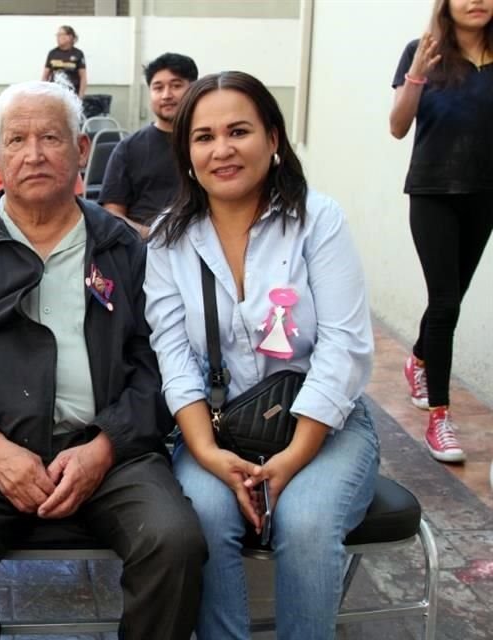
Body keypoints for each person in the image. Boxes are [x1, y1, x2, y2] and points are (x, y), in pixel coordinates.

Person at [0, 80, 206, 640]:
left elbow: (156, 365)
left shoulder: (122, 246)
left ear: (82, 150)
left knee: (175, 541)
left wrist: (106, 446)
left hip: (109, 453)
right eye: (15, 140)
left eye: (51, 137)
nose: (34, 153)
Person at [144, 71, 379, 640]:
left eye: (239, 131)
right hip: (218, 428)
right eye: (203, 137)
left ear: (273, 138)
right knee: (201, 515)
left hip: (325, 426)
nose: (222, 149)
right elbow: (172, 354)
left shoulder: (317, 220)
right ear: (187, 152)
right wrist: (204, 449)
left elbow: (343, 347)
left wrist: (294, 458)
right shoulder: (168, 240)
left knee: (305, 520)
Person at [389, 0, 492, 464]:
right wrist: (415, 74)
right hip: (432, 190)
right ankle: (440, 416)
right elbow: (397, 126)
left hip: (483, 193)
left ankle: (419, 358)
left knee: (451, 295)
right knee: (447, 300)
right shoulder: (423, 50)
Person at [100, 53, 198, 238]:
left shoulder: (207, 143)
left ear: (193, 88)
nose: (166, 95)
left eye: (176, 86)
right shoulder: (128, 148)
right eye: (158, 88)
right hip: (143, 245)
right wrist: (152, 235)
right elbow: (112, 212)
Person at [0, 149, 85, 214]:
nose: (34, 157)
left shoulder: (65, 166)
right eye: (18, 139)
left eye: (49, 138)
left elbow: (77, 210)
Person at [42, 25, 86, 97]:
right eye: (57, 35)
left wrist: (80, 96)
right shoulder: (52, 53)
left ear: (70, 37)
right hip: (54, 94)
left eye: (60, 35)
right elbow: (45, 76)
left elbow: (83, 77)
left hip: (72, 94)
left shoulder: (78, 53)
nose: (58, 38)